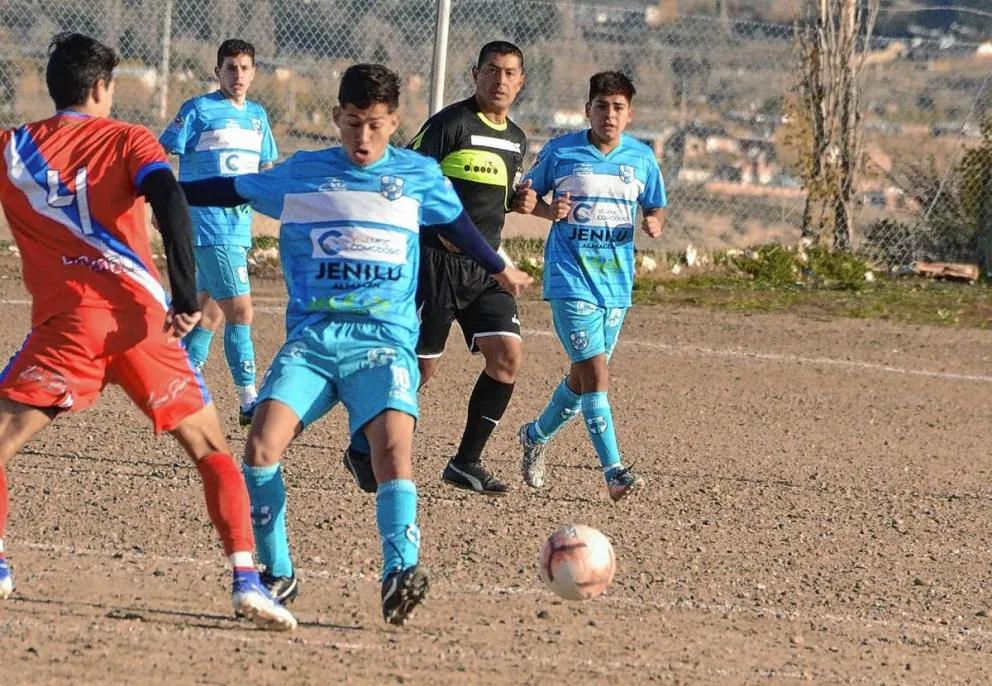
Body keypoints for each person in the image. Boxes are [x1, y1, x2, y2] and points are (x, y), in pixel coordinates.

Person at [179, 64, 533, 622]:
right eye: (351, 124)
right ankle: (278, 569)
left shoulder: (417, 175)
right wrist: (160, 187)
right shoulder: (304, 173)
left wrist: (499, 266)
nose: (362, 138)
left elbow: (457, 222)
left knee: (395, 451)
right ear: (336, 119)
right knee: (260, 449)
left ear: (393, 122)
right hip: (314, 340)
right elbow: (226, 189)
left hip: (385, 342)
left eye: (374, 125)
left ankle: (400, 571)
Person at [0, 33, 295, 630]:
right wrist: (186, 292)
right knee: (211, 451)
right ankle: (246, 580)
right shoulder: (129, 139)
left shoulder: (12, 148)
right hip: (142, 325)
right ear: (102, 88)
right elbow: (168, 194)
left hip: (69, 329)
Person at [343, 41, 535, 497]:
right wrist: (431, 223)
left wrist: (527, 202)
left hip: (486, 267)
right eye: (492, 71)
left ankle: (465, 463)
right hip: (435, 264)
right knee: (420, 373)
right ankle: (359, 448)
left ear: (521, 81)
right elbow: (404, 178)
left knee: (507, 358)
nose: (501, 80)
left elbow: (500, 199)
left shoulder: (517, 139)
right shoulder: (450, 124)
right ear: (476, 74)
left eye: (510, 73)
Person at [514, 71, 666, 502]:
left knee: (583, 380)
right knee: (596, 373)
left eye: (618, 108)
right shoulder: (562, 152)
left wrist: (654, 220)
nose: (609, 115)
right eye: (602, 106)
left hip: (617, 286)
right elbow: (524, 198)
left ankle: (535, 435)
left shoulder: (642, 158)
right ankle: (614, 472)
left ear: (630, 114)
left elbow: (655, 205)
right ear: (588, 110)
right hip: (570, 279)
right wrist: (545, 210)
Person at [159, 39, 278, 427]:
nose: (237, 75)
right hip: (209, 225)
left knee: (206, 314)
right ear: (217, 73)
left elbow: (267, 168)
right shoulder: (198, 110)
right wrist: (164, 204)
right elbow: (161, 153)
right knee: (240, 311)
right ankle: (248, 400)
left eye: (244, 68)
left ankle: (180, 388)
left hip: (238, 227)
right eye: (230, 67)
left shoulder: (259, 116)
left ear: (254, 72)